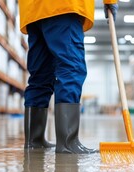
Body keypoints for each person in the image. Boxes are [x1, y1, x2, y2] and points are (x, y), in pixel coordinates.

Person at [18, 0, 118, 154]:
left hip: (32, 11)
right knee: (71, 68)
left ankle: (34, 141)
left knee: (40, 76)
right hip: (63, 5)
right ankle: (68, 143)